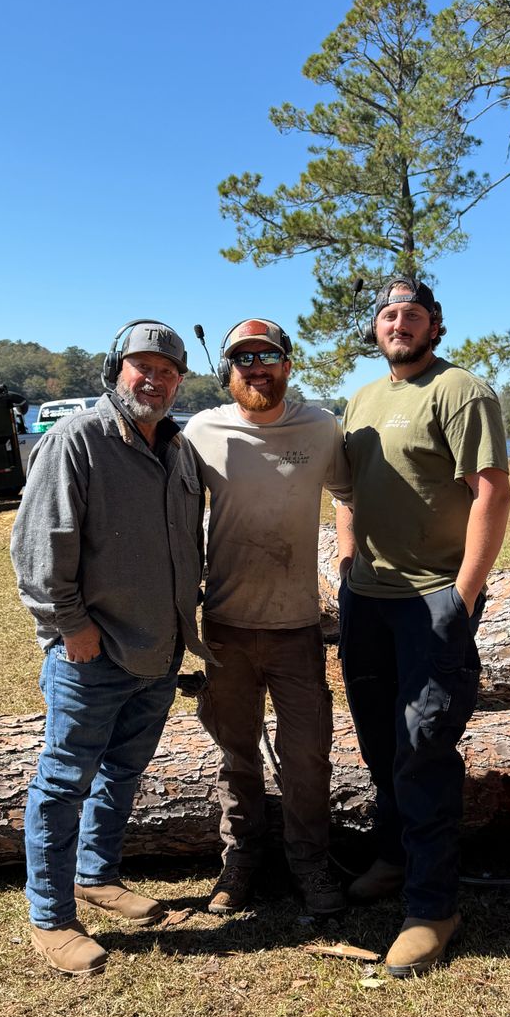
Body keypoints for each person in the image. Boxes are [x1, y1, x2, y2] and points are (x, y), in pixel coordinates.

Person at [10, 319, 210, 976]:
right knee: (64, 782)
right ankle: (51, 916)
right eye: (140, 366)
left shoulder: (178, 451)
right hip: (90, 655)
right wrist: (71, 626)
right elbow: (39, 550)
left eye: (167, 370)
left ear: (180, 381)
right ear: (116, 369)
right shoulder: (76, 441)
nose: (153, 378)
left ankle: (96, 875)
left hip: (158, 653)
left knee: (122, 774)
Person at [336, 275, 510, 977]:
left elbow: (492, 492)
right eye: (388, 313)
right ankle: (393, 855)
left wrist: (461, 596)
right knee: (381, 742)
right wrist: (347, 562)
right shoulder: (363, 399)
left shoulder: (459, 390)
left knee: (425, 746)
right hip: (367, 601)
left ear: (434, 327)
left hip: (430, 600)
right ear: (376, 329)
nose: (398, 322)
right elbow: (347, 489)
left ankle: (433, 906)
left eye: (412, 313)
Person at [184, 318, 352, 916]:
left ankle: (309, 861)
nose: (256, 368)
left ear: (288, 364)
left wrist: (349, 563)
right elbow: (172, 511)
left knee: (307, 755)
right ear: (229, 371)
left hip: (297, 627)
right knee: (235, 751)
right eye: (243, 359)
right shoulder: (200, 432)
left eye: (268, 357)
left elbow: (348, 493)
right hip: (225, 626)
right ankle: (242, 860)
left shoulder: (321, 426)